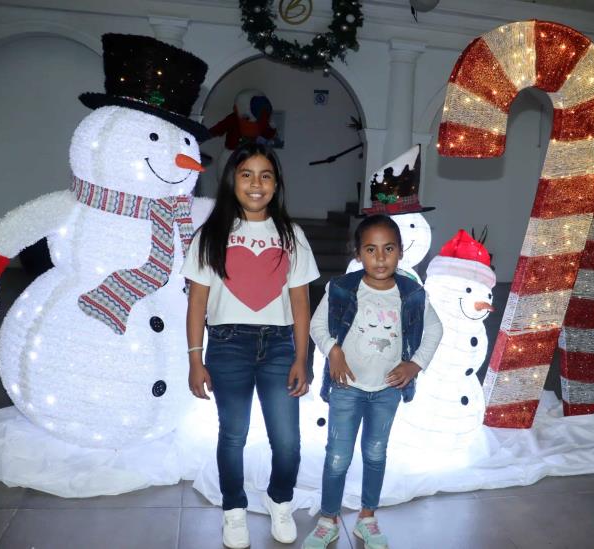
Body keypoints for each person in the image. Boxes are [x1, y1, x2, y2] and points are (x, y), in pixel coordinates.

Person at [182, 143, 319, 549]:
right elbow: (197, 303)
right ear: (232, 181)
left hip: (279, 345)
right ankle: (234, 510)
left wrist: (301, 357)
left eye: (265, 175)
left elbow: (300, 302)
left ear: (276, 185)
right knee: (233, 434)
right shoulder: (212, 235)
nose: (256, 184)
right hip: (227, 345)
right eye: (246, 174)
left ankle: (281, 500)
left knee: (287, 439)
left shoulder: (292, 235)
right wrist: (195, 358)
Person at [304, 214, 443, 549]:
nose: (380, 258)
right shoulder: (341, 289)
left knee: (375, 453)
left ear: (400, 253)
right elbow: (317, 326)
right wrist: (333, 352)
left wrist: (414, 365)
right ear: (358, 254)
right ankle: (328, 520)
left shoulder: (411, 294)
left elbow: (435, 330)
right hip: (346, 387)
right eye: (371, 249)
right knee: (337, 455)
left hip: (386, 391)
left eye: (388, 249)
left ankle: (367, 517)